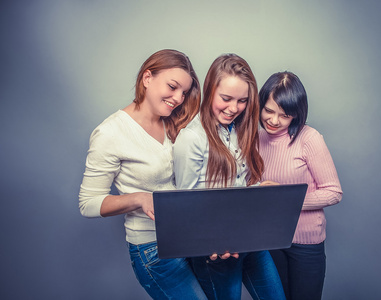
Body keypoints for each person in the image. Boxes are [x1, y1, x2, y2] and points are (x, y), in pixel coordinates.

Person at [78, 49, 207, 299]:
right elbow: (88, 203)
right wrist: (139, 198)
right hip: (153, 249)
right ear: (147, 78)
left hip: (190, 238)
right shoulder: (110, 133)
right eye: (172, 86)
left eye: (184, 92)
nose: (178, 98)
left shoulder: (175, 122)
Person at [173, 54, 286, 300]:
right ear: (210, 90)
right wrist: (210, 244)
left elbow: (242, 183)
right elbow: (184, 205)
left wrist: (261, 190)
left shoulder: (241, 129)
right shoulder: (192, 138)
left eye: (242, 101)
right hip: (216, 253)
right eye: (226, 99)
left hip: (251, 241)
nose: (233, 108)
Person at [258, 71, 343, 300]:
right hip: (270, 239)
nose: (274, 121)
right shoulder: (256, 138)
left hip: (306, 243)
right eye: (269, 111)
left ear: (296, 115)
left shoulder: (309, 138)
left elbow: (334, 192)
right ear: (260, 104)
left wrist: (284, 198)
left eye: (284, 115)